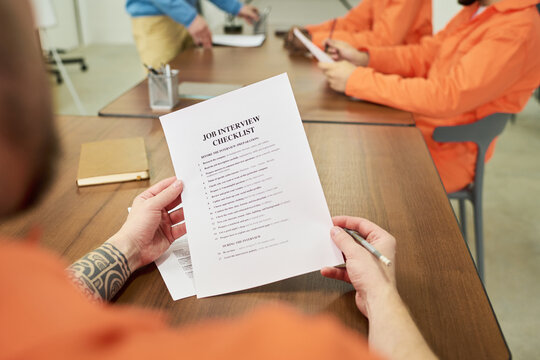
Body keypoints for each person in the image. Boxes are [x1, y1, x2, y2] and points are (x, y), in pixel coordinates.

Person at [1, 1, 436, 359]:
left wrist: (130, 247)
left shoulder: (17, 304)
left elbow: (43, 310)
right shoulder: (302, 347)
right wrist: (381, 298)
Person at [319, 0, 540, 193]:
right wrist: (365, 59)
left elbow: (447, 96)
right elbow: (425, 55)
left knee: (339, 166)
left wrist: (357, 80)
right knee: (335, 146)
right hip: (419, 129)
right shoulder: (479, 9)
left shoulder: (517, 28)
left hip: (445, 150)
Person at [126, 0, 260, 68]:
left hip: (189, 16)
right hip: (155, 18)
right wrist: (190, 18)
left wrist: (235, 7)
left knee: (194, 76)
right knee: (163, 84)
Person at [284, 0, 432, 55]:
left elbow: (383, 41)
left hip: (405, 79)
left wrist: (313, 40)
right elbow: (352, 23)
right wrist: (309, 32)